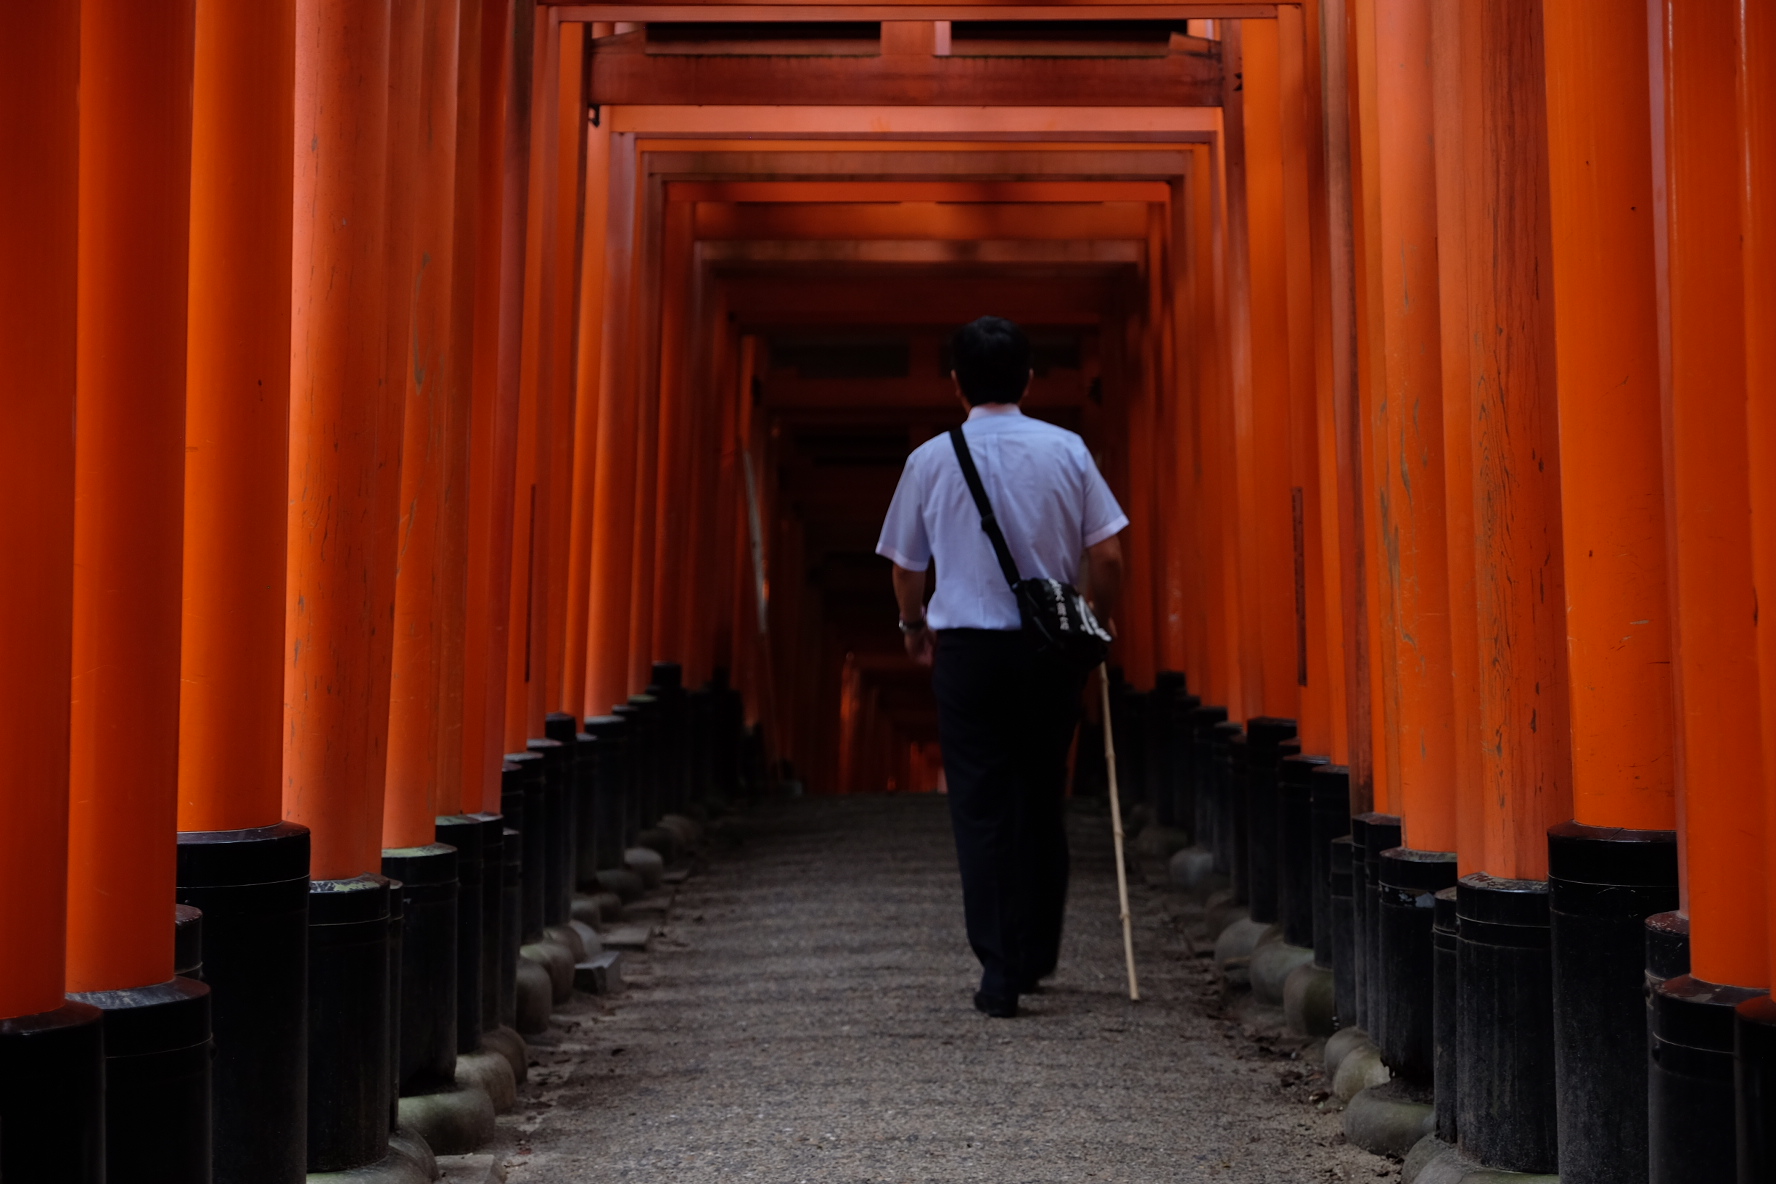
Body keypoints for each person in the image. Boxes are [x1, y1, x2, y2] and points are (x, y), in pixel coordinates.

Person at [875, 316, 1128, 1018]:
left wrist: (911, 628)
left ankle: (998, 970)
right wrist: (1099, 621)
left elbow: (906, 569)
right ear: (1028, 379)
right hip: (1049, 650)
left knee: (980, 803)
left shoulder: (930, 459)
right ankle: (1037, 952)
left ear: (955, 383)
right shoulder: (1068, 450)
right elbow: (1106, 556)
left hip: (968, 653)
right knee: (1040, 794)